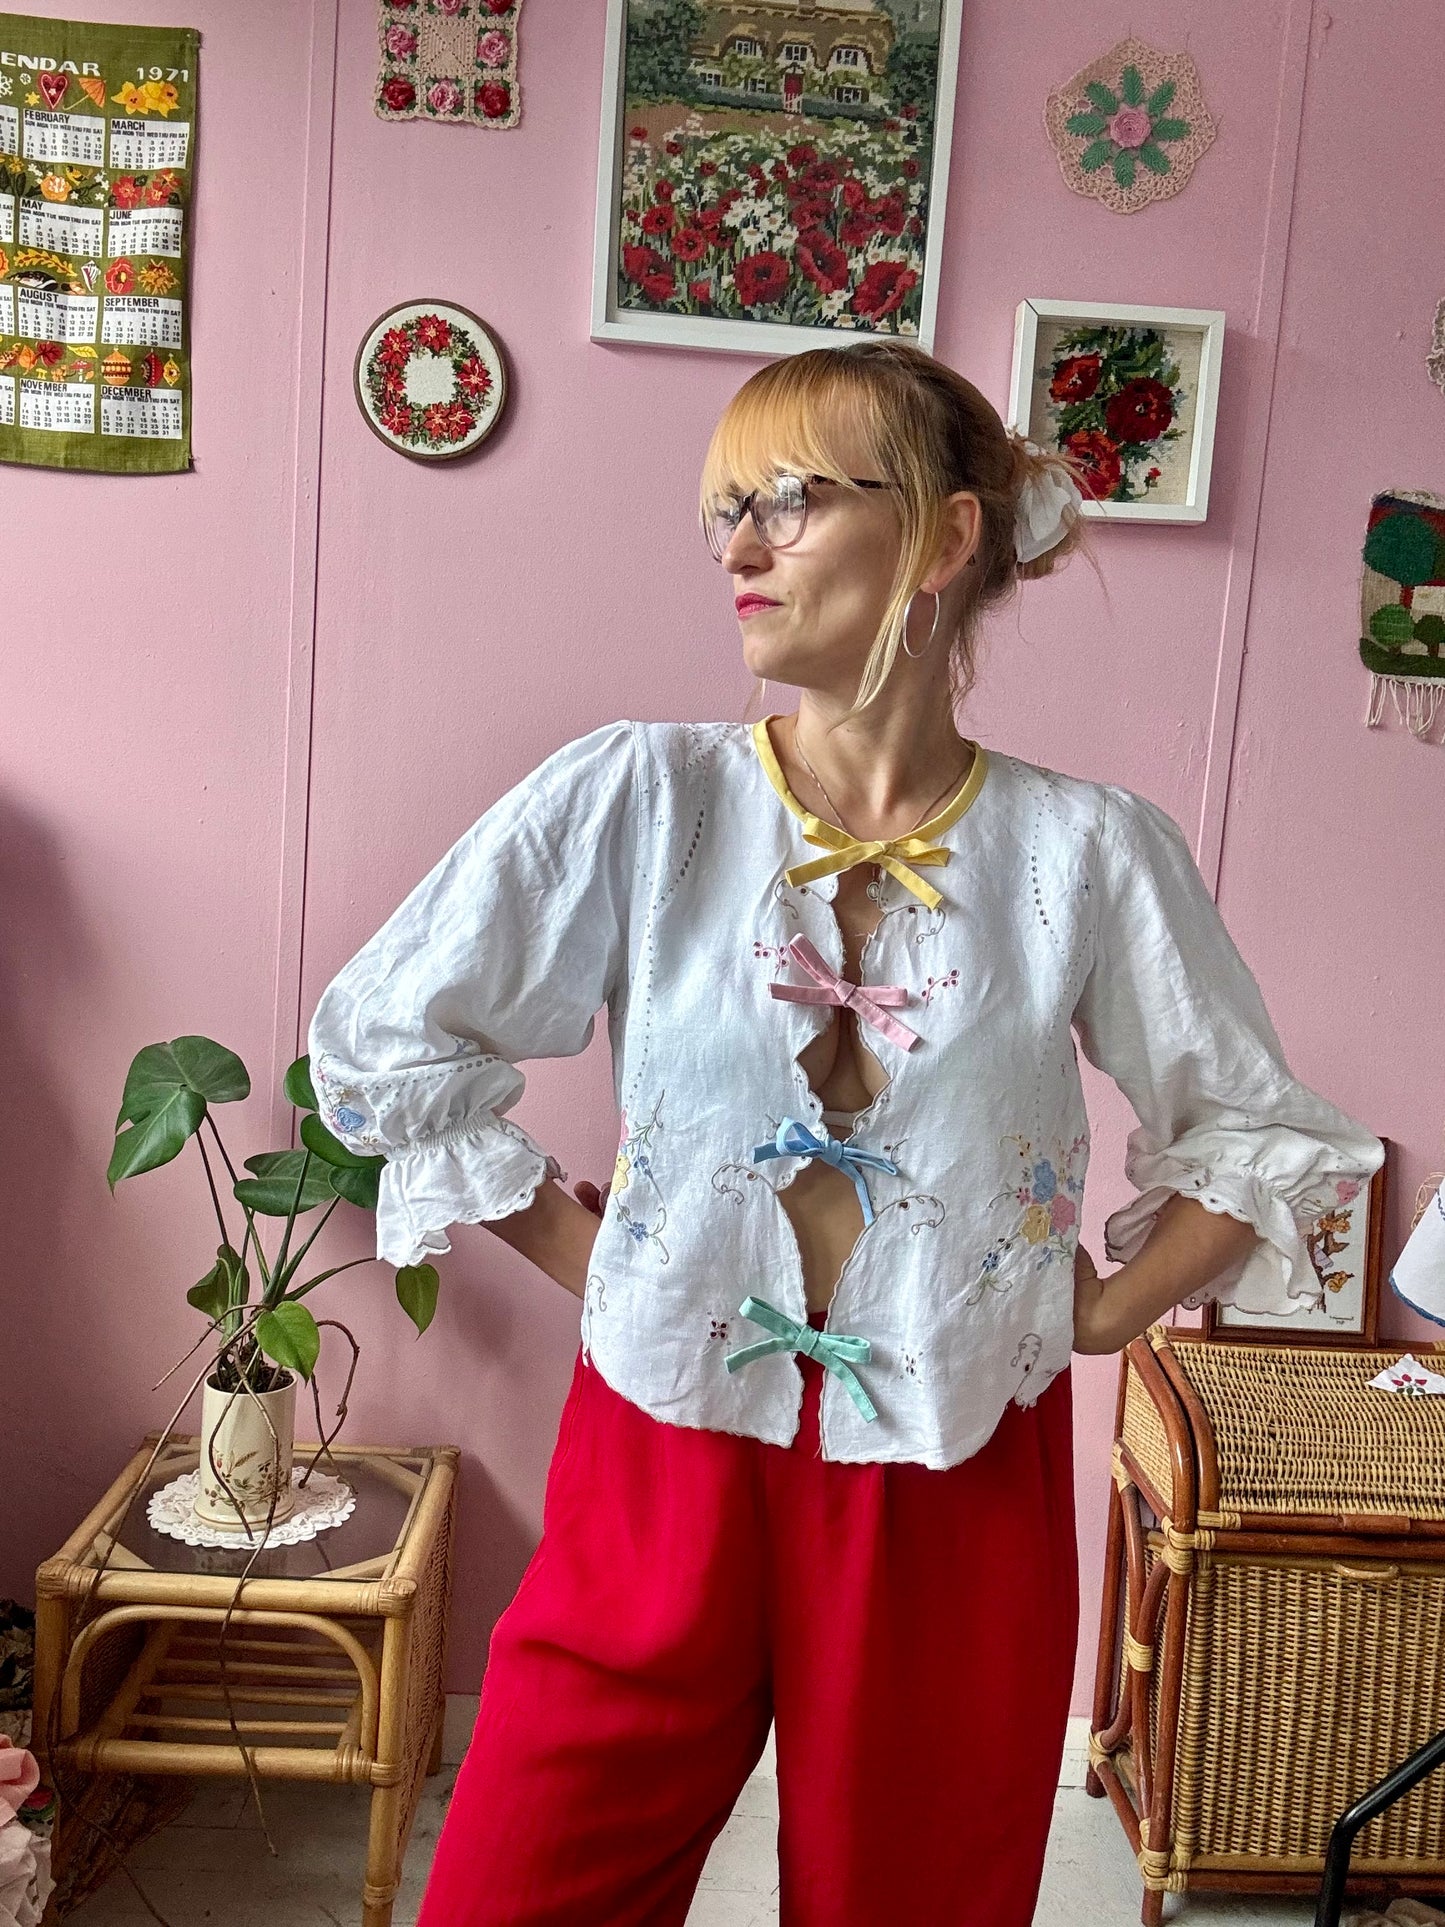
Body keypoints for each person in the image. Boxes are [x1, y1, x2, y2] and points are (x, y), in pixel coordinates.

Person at [307, 340, 1385, 1926]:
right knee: (518, 1891)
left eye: (791, 502)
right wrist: (587, 1250)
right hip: (662, 1434)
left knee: (914, 1898)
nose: (739, 551)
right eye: (723, 512)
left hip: (951, 1463)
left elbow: (1255, 1131)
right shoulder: (638, 798)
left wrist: (1094, 1307)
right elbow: (387, 1041)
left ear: (945, 541)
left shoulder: (1083, 853)